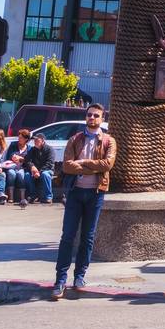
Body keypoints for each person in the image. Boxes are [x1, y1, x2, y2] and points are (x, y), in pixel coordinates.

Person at [53, 105, 115, 300]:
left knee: (88, 237)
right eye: (89, 115)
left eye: (96, 115)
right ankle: (60, 280)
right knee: (67, 237)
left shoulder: (108, 140)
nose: (92, 118)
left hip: (96, 194)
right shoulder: (75, 139)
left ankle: (80, 276)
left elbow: (107, 165)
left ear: (102, 117)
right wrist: (90, 167)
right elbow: (67, 166)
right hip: (75, 193)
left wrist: (82, 165)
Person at [5, 129, 35, 207]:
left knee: (20, 174)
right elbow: (10, 155)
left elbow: (29, 160)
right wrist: (14, 157)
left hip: (22, 168)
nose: (19, 139)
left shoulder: (29, 148)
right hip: (12, 166)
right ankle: (11, 196)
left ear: (26, 139)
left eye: (21, 138)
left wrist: (20, 159)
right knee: (11, 173)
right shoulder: (13, 144)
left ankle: (22, 198)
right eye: (19, 137)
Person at [26, 131, 56, 204]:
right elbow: (28, 161)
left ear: (43, 141)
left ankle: (48, 197)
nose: (35, 142)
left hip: (47, 170)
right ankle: (33, 196)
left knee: (45, 174)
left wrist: (39, 172)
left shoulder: (49, 149)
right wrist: (32, 167)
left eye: (37, 140)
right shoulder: (32, 150)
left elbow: (49, 163)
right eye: (34, 140)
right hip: (35, 171)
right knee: (27, 175)